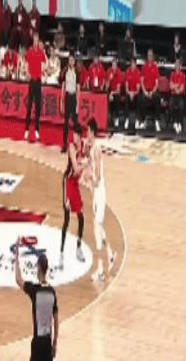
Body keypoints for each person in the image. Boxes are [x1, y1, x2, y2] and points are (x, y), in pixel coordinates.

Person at [14, 247, 58, 361]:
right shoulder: (52, 292)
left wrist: (16, 256)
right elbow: (56, 320)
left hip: (37, 343)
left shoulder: (34, 290)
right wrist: (54, 343)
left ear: (38, 267)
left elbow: (18, 279)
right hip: (48, 343)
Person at [86, 118, 117, 282]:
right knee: (98, 226)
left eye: (87, 131)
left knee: (96, 228)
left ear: (92, 131)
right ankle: (110, 254)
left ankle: (100, 269)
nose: (86, 134)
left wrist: (90, 179)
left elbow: (98, 176)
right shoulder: (92, 148)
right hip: (96, 193)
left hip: (99, 192)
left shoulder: (97, 149)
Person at [59, 123, 86, 269]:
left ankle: (78, 248)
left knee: (81, 216)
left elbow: (84, 168)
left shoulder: (83, 146)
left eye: (76, 135)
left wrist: (87, 165)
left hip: (75, 184)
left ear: (80, 136)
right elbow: (75, 169)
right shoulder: (71, 147)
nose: (74, 137)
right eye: (73, 135)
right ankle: (61, 254)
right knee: (67, 218)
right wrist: (85, 164)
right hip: (68, 182)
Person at [24, 32, 47, 141]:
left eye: (37, 41)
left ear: (38, 42)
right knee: (29, 106)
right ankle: (26, 129)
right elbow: (26, 65)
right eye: (34, 40)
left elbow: (44, 65)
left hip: (38, 81)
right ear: (33, 41)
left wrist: (42, 73)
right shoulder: (29, 52)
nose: (36, 42)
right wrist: (29, 75)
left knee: (38, 107)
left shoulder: (41, 53)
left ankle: (37, 130)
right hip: (32, 81)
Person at [60, 54, 80, 153]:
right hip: (67, 97)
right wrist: (61, 100)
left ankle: (77, 144)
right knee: (66, 122)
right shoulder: (65, 71)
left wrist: (78, 104)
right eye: (70, 60)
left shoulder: (77, 72)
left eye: (72, 60)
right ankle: (64, 144)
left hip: (73, 97)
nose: (71, 62)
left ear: (74, 61)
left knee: (75, 123)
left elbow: (78, 88)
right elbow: (63, 86)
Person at [139, 49, 161, 131]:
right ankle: (143, 121)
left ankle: (157, 121)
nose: (149, 57)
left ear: (153, 57)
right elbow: (141, 81)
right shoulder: (144, 67)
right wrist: (144, 91)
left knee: (157, 98)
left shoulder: (155, 67)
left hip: (153, 90)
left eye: (151, 55)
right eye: (148, 55)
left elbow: (157, 83)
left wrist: (152, 92)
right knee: (141, 99)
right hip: (145, 90)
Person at [106, 58, 124, 127]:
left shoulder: (119, 73)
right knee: (106, 97)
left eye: (115, 65)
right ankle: (108, 116)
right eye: (112, 65)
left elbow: (118, 90)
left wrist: (112, 93)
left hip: (116, 92)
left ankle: (116, 117)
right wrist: (109, 80)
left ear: (116, 65)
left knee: (117, 98)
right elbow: (106, 88)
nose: (113, 67)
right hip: (110, 91)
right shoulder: (108, 71)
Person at [124, 58, 142, 130]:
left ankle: (137, 120)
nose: (133, 65)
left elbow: (138, 89)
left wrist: (133, 94)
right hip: (129, 92)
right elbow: (126, 87)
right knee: (126, 99)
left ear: (135, 65)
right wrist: (130, 93)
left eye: (134, 64)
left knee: (139, 99)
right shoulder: (127, 71)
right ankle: (127, 119)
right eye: (131, 64)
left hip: (135, 93)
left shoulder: (138, 72)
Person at [169, 58, 185, 134]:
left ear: (180, 66)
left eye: (178, 64)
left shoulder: (183, 75)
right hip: (173, 95)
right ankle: (175, 121)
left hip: (180, 95)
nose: (177, 66)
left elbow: (182, 88)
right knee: (170, 105)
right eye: (176, 64)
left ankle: (179, 122)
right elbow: (170, 86)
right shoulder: (172, 74)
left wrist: (175, 86)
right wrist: (177, 86)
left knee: (181, 106)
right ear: (175, 66)